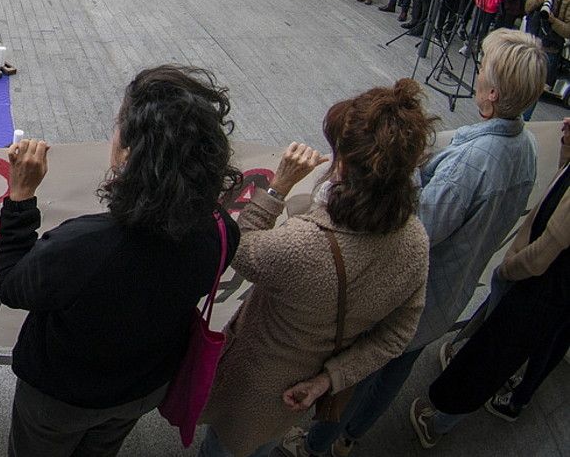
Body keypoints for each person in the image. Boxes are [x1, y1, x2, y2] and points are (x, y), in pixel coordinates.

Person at [301, 30, 544, 457]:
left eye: (482, 65)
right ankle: (351, 436)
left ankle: (317, 443)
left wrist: (405, 162)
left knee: (367, 370)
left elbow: (416, 230)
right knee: (397, 370)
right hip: (452, 292)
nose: (475, 70)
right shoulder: (523, 149)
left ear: (490, 93)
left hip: (418, 293)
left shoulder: (472, 163)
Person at [0, 65, 240, 457]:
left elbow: (11, 285)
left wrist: (20, 197)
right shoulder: (222, 231)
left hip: (60, 398)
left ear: (128, 152)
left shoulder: (82, 245)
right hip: (142, 389)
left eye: (118, 124)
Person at [202, 80, 433, 457]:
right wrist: (330, 379)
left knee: (227, 448)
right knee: (263, 442)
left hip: (253, 385)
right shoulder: (415, 243)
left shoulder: (304, 247)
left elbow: (236, 247)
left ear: (343, 164)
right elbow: (396, 336)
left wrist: (278, 188)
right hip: (299, 392)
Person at [409, 117, 570, 446]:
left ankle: (439, 421)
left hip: (538, 285)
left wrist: (508, 270)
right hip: (538, 282)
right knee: (496, 337)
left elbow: (544, 252)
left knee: (492, 355)